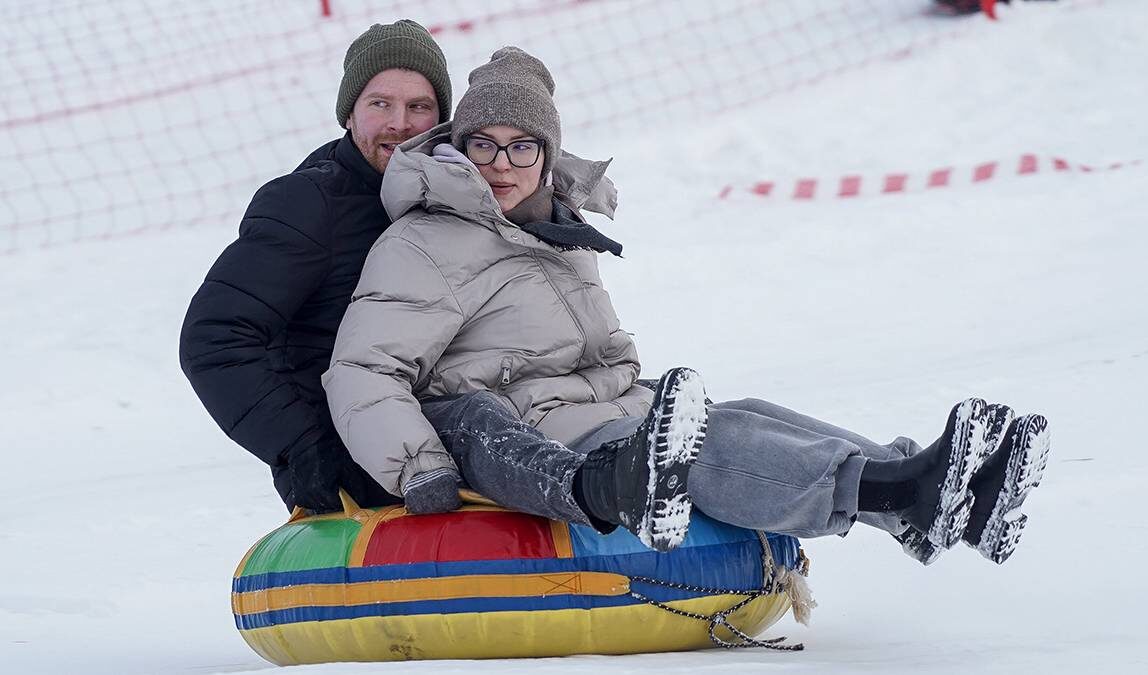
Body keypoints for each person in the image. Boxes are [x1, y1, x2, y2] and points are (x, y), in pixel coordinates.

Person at [323, 47, 1051, 564]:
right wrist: (419, 466)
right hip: (531, 433)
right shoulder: (426, 241)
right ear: (459, 147)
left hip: (603, 408)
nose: (500, 165)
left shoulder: (557, 232)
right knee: (708, 442)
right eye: (483, 145)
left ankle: (929, 494)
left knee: (748, 412)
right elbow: (363, 369)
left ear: (546, 156)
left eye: (521, 148)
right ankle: (901, 489)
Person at [178, 20, 454, 513]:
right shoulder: (309, 204)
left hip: (455, 439)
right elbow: (215, 336)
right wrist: (306, 448)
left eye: (419, 107)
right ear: (349, 113)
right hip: (357, 473)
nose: (400, 123)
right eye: (380, 104)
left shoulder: (456, 199)